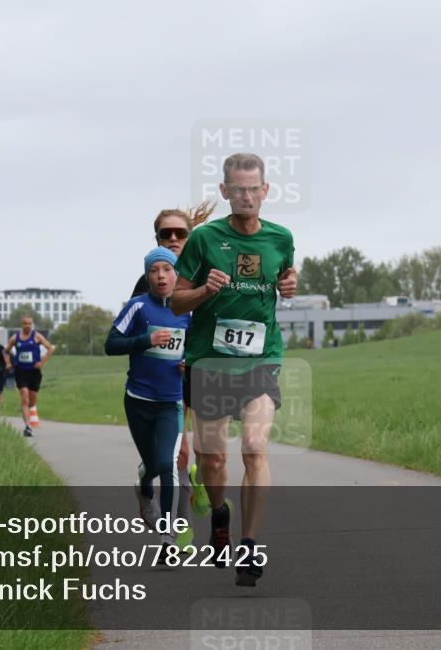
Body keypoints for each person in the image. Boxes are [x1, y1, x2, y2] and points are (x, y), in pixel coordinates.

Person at [172, 153, 297, 586]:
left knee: (255, 449)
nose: (246, 196)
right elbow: (176, 300)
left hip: (262, 360)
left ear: (265, 191)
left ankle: (249, 544)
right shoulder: (204, 240)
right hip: (210, 361)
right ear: (225, 192)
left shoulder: (281, 237)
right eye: (237, 189)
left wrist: (289, 284)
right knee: (213, 459)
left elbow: (284, 277)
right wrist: (205, 289)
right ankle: (220, 513)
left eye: (253, 189)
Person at [130, 202, 218, 550]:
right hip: (160, 380)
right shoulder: (148, 280)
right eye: (164, 233)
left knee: (200, 455)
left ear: (190, 236)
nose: (172, 238)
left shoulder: (206, 272)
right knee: (176, 456)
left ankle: (191, 489)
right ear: (157, 238)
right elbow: (134, 327)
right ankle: (176, 527)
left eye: (179, 233)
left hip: (196, 371)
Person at [106, 247, 192, 553]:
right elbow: (111, 344)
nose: (161, 276)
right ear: (148, 276)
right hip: (138, 400)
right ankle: (143, 481)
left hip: (171, 401)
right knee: (153, 464)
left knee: (167, 464)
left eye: (167, 270)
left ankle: (167, 537)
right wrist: (145, 340)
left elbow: (196, 349)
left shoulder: (188, 310)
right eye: (154, 270)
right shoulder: (137, 307)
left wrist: (188, 365)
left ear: (175, 275)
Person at [4, 316, 55, 437]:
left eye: (29, 323)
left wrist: (42, 362)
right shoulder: (15, 338)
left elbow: (51, 348)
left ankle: (29, 411)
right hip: (21, 372)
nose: (27, 325)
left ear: (32, 325)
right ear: (22, 325)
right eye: (25, 323)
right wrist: (8, 363)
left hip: (34, 373)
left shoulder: (37, 336)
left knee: (32, 402)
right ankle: (27, 427)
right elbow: (5, 351)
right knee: (24, 398)